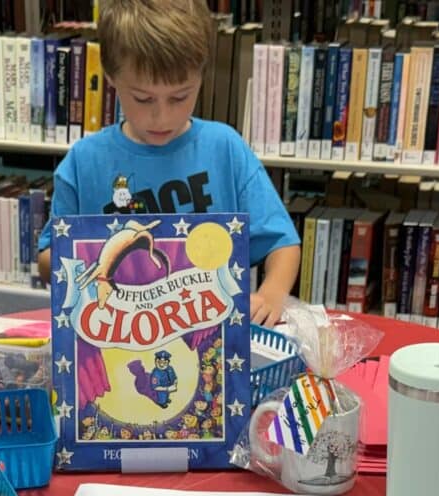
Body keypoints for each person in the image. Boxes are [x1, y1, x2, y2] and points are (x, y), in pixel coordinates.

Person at [36, 0, 300, 327]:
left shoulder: (225, 149)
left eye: (180, 96)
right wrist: (87, 260)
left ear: (201, 76)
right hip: (118, 332)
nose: (161, 117)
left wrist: (272, 295)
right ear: (111, 76)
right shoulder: (84, 161)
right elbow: (47, 259)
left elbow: (283, 243)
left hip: (210, 333)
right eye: (143, 98)